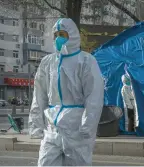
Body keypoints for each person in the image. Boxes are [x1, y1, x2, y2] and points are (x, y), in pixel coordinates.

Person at [28, 18, 104, 166]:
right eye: (55, 35)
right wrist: (36, 124)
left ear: (73, 35)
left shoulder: (86, 61)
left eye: (62, 34)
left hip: (76, 127)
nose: (58, 38)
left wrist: (88, 124)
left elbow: (94, 95)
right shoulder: (48, 62)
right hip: (52, 126)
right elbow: (39, 94)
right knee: (45, 163)